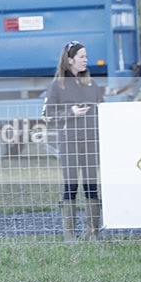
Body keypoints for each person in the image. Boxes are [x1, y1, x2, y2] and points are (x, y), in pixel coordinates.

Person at [42, 42, 105, 241]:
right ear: (70, 60)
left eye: (86, 56)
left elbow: (103, 109)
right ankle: (70, 234)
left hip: (91, 141)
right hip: (69, 142)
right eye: (82, 56)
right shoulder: (57, 85)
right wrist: (71, 112)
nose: (86, 60)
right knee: (71, 185)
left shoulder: (91, 84)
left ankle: (92, 232)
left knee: (91, 185)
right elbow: (47, 114)